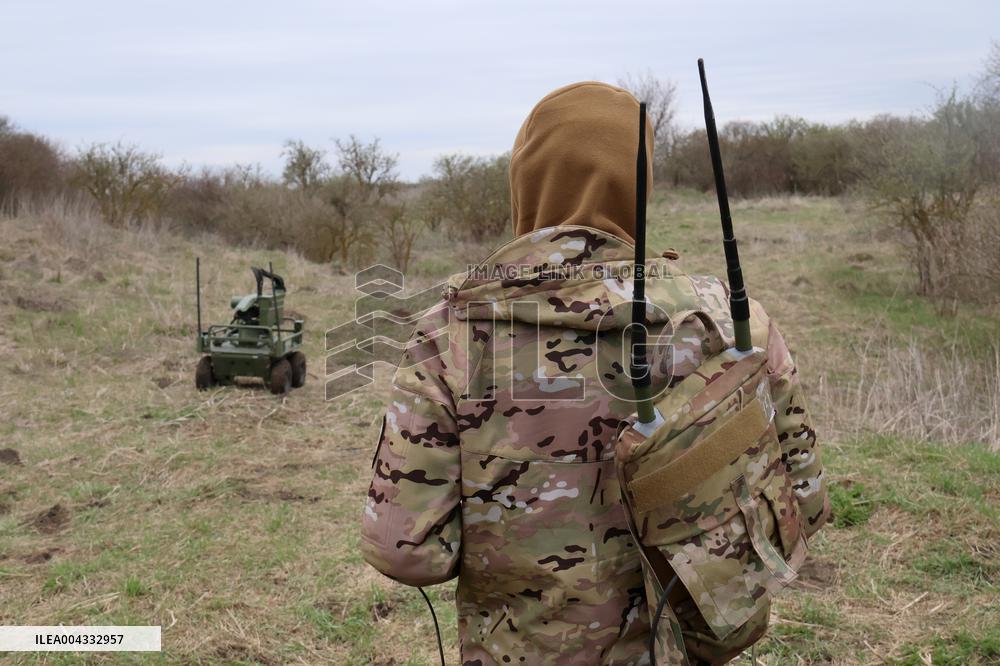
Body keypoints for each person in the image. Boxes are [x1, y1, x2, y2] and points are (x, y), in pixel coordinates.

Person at [361, 82, 829, 665]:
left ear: (526, 180)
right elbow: (805, 505)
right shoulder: (737, 324)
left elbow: (406, 552)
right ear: (640, 184)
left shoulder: (449, 336)